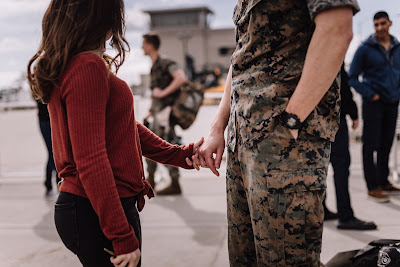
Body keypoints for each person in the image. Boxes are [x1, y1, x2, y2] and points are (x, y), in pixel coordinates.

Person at [27, 1, 202, 266]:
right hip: (95, 209)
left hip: (90, 207)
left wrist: (178, 155)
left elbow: (123, 128)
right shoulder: (87, 67)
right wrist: (121, 235)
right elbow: (91, 159)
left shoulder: (75, 64)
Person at [194, 0, 359, 266]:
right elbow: (242, 57)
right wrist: (217, 127)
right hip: (242, 141)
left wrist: (293, 119)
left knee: (286, 259)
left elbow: (337, 27)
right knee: (243, 258)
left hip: (285, 144)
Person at [348, 11, 400, 203]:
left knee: (386, 144)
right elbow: (352, 78)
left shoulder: (397, 47)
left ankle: (383, 181)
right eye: (376, 24)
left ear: (390, 23)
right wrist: (371, 94)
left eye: (382, 23)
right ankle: (372, 187)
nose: (379, 28)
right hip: (373, 104)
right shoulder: (365, 49)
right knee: (370, 146)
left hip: (392, 102)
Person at [323, 64, 377, 230]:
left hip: (312, 118)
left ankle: (321, 210)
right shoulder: (332, 46)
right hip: (333, 116)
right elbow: (342, 85)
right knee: (341, 166)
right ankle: (345, 216)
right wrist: (353, 112)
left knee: (320, 167)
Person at [142, 33, 188, 195]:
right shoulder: (155, 66)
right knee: (152, 146)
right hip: (158, 114)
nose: (142, 47)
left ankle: (173, 182)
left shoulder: (164, 62)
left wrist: (163, 93)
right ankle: (151, 179)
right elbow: (155, 92)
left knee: (162, 147)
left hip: (165, 116)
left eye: (143, 44)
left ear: (150, 45)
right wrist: (150, 110)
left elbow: (181, 78)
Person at [36, 100, 60, 196]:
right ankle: (55, 184)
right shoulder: (45, 87)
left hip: (46, 120)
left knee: (53, 154)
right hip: (47, 121)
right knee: (53, 154)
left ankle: (49, 184)